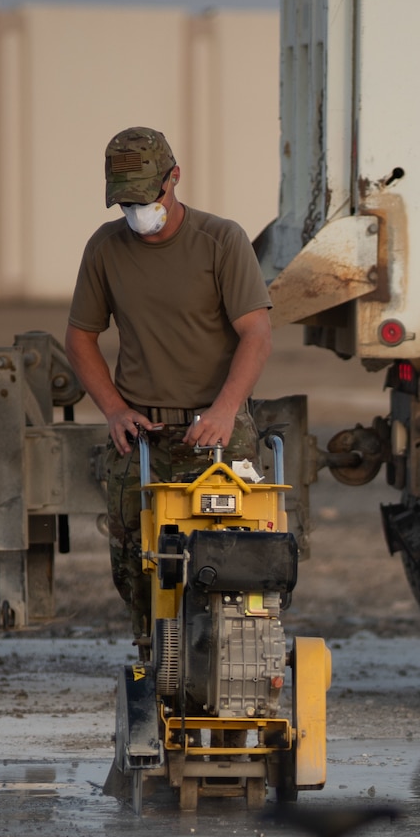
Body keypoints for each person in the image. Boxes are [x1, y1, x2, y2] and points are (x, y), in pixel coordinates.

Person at [65, 126, 273, 649]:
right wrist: (113, 409)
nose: (137, 213)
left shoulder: (220, 241)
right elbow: (81, 337)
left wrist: (225, 410)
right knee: (135, 563)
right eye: (125, 203)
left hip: (217, 432)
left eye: (146, 198)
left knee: (234, 560)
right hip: (143, 437)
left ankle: (234, 654)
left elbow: (256, 332)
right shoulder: (106, 249)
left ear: (174, 178)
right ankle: (155, 657)